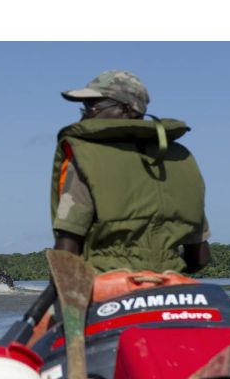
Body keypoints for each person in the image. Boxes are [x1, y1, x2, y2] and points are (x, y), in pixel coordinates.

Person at [51, 70, 210, 274]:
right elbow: (200, 257)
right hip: (170, 285)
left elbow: (68, 252)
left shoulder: (87, 158)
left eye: (93, 106)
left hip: (107, 286)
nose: (86, 114)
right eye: (85, 107)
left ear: (125, 109)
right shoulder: (182, 158)